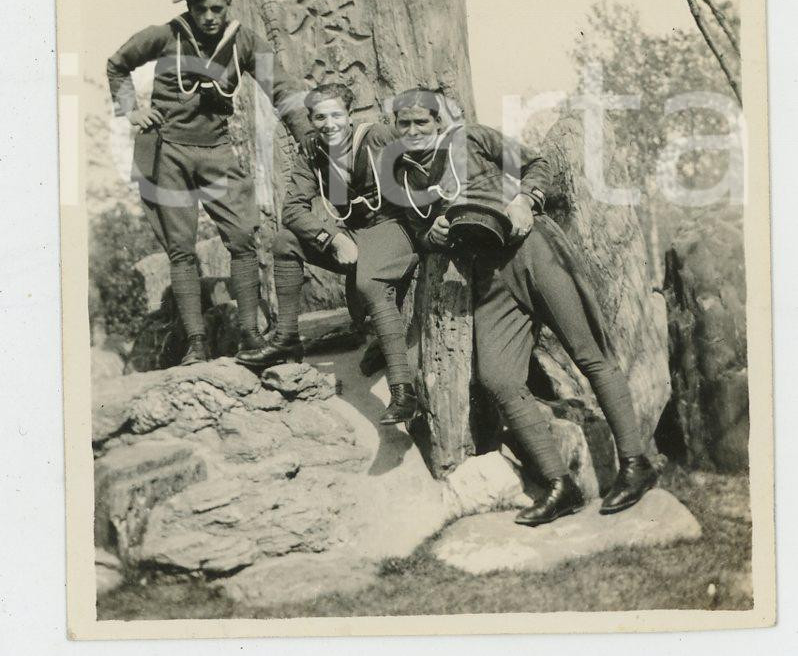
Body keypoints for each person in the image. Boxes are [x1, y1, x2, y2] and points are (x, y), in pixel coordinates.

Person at [387, 88, 658, 525]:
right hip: (485, 274)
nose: (414, 131)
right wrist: (431, 235)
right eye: (405, 124)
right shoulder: (403, 175)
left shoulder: (469, 138)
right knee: (499, 377)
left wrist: (525, 199)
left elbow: (537, 162)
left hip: (533, 248)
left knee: (589, 353)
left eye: (422, 122)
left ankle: (635, 462)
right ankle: (560, 484)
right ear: (396, 129)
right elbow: (416, 232)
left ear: (438, 123)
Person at [106, 0, 310, 366]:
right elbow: (117, 63)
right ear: (191, 11)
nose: (210, 17)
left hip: (216, 151)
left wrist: (304, 131)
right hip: (168, 152)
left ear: (228, 4)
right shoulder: (166, 35)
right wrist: (132, 109)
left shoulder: (244, 41)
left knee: (241, 238)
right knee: (181, 251)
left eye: (216, 8)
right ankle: (197, 343)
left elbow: (280, 87)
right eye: (201, 11)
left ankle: (250, 333)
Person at [237, 82, 420, 426]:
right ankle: (287, 338)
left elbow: (422, 167)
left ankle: (403, 390)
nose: (329, 124)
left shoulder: (376, 137)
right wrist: (331, 237)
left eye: (336, 114)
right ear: (311, 119)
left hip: (391, 226)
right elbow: (292, 210)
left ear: (350, 115)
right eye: (320, 117)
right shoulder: (316, 152)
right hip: (349, 233)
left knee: (369, 283)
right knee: (285, 241)